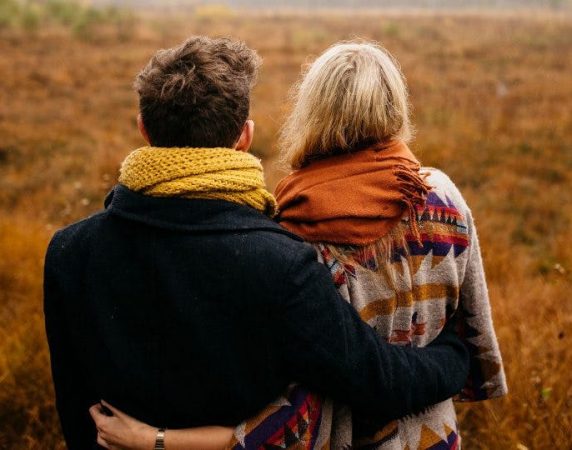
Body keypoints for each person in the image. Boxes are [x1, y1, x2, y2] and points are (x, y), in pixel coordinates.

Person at [44, 36, 471, 450]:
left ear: (144, 129)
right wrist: (455, 357)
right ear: (245, 136)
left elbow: (77, 412)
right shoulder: (281, 261)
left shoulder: (68, 252)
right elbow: (379, 380)